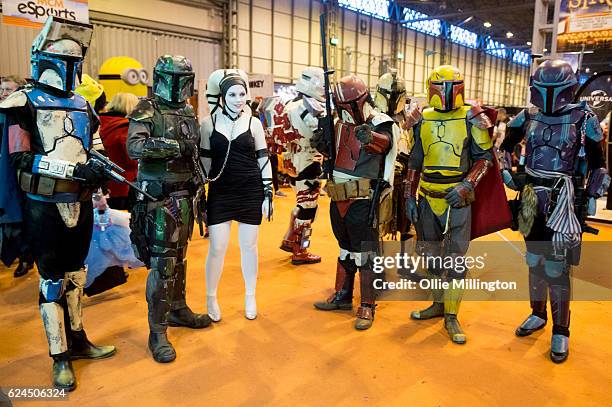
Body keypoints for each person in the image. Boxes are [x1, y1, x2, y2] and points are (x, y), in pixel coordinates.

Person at [0, 17, 116, 390]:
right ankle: (59, 354)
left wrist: (98, 188)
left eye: (75, 62)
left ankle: (79, 339)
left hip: (79, 203)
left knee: (77, 275)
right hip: (43, 205)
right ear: (44, 61)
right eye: (65, 62)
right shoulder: (23, 102)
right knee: (50, 281)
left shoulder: (84, 104)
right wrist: (72, 168)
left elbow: (92, 146)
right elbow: (20, 158)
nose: (70, 69)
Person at [501, 59, 610, 363]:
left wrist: (590, 195)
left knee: (557, 267)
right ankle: (537, 314)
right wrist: (508, 172)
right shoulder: (527, 116)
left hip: (564, 198)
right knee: (534, 259)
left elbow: (599, 163)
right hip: (530, 196)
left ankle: (561, 330)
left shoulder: (582, 117)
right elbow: (505, 148)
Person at [127, 55, 212, 364]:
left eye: (183, 79)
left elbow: (194, 158)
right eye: (174, 79)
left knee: (180, 258)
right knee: (163, 264)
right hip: (159, 198)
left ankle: (177, 309)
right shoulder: (147, 108)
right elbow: (135, 147)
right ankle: (157, 331)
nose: (178, 86)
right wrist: (175, 147)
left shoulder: (188, 111)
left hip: (185, 195)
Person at [404, 65, 495, 344]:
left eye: (450, 86)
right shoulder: (421, 118)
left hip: (458, 197)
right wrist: (409, 194)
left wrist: (467, 185)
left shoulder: (471, 116)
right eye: (440, 87)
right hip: (427, 195)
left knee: (456, 258)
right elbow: (415, 161)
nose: (445, 93)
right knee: (430, 254)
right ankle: (438, 304)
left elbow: (485, 158)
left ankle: (452, 315)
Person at [313, 74, 399, 330]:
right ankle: (342, 296)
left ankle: (368, 304)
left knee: (366, 254)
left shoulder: (381, 123)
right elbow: (332, 152)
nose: (346, 111)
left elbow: (384, 144)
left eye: (349, 105)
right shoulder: (338, 124)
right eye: (341, 106)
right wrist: (324, 138)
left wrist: (370, 137)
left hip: (363, 199)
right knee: (345, 248)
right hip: (338, 196)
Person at [200, 69, 273, 322]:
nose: (238, 99)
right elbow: (204, 162)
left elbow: (263, 157)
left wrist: (268, 191)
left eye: (242, 93)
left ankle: (250, 296)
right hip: (221, 192)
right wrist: (200, 192)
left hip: (250, 190)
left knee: (249, 247)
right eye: (232, 94)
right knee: (217, 247)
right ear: (222, 96)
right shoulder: (208, 123)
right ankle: (211, 297)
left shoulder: (254, 123)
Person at [271, 67, 327, 265]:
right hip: (308, 161)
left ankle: (289, 240)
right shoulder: (308, 107)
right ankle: (300, 250)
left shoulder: (290, 104)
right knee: (308, 208)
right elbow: (319, 136)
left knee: (302, 205)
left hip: (294, 162)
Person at [0, 75, 34, 278]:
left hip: (18, 173)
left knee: (20, 217)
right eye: (2, 89)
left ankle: (25, 257)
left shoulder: (23, 117)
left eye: (8, 90)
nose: (4, 93)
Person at [100, 93, 139, 209]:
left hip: (102, 185)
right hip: (123, 186)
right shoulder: (126, 128)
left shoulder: (99, 122)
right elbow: (132, 159)